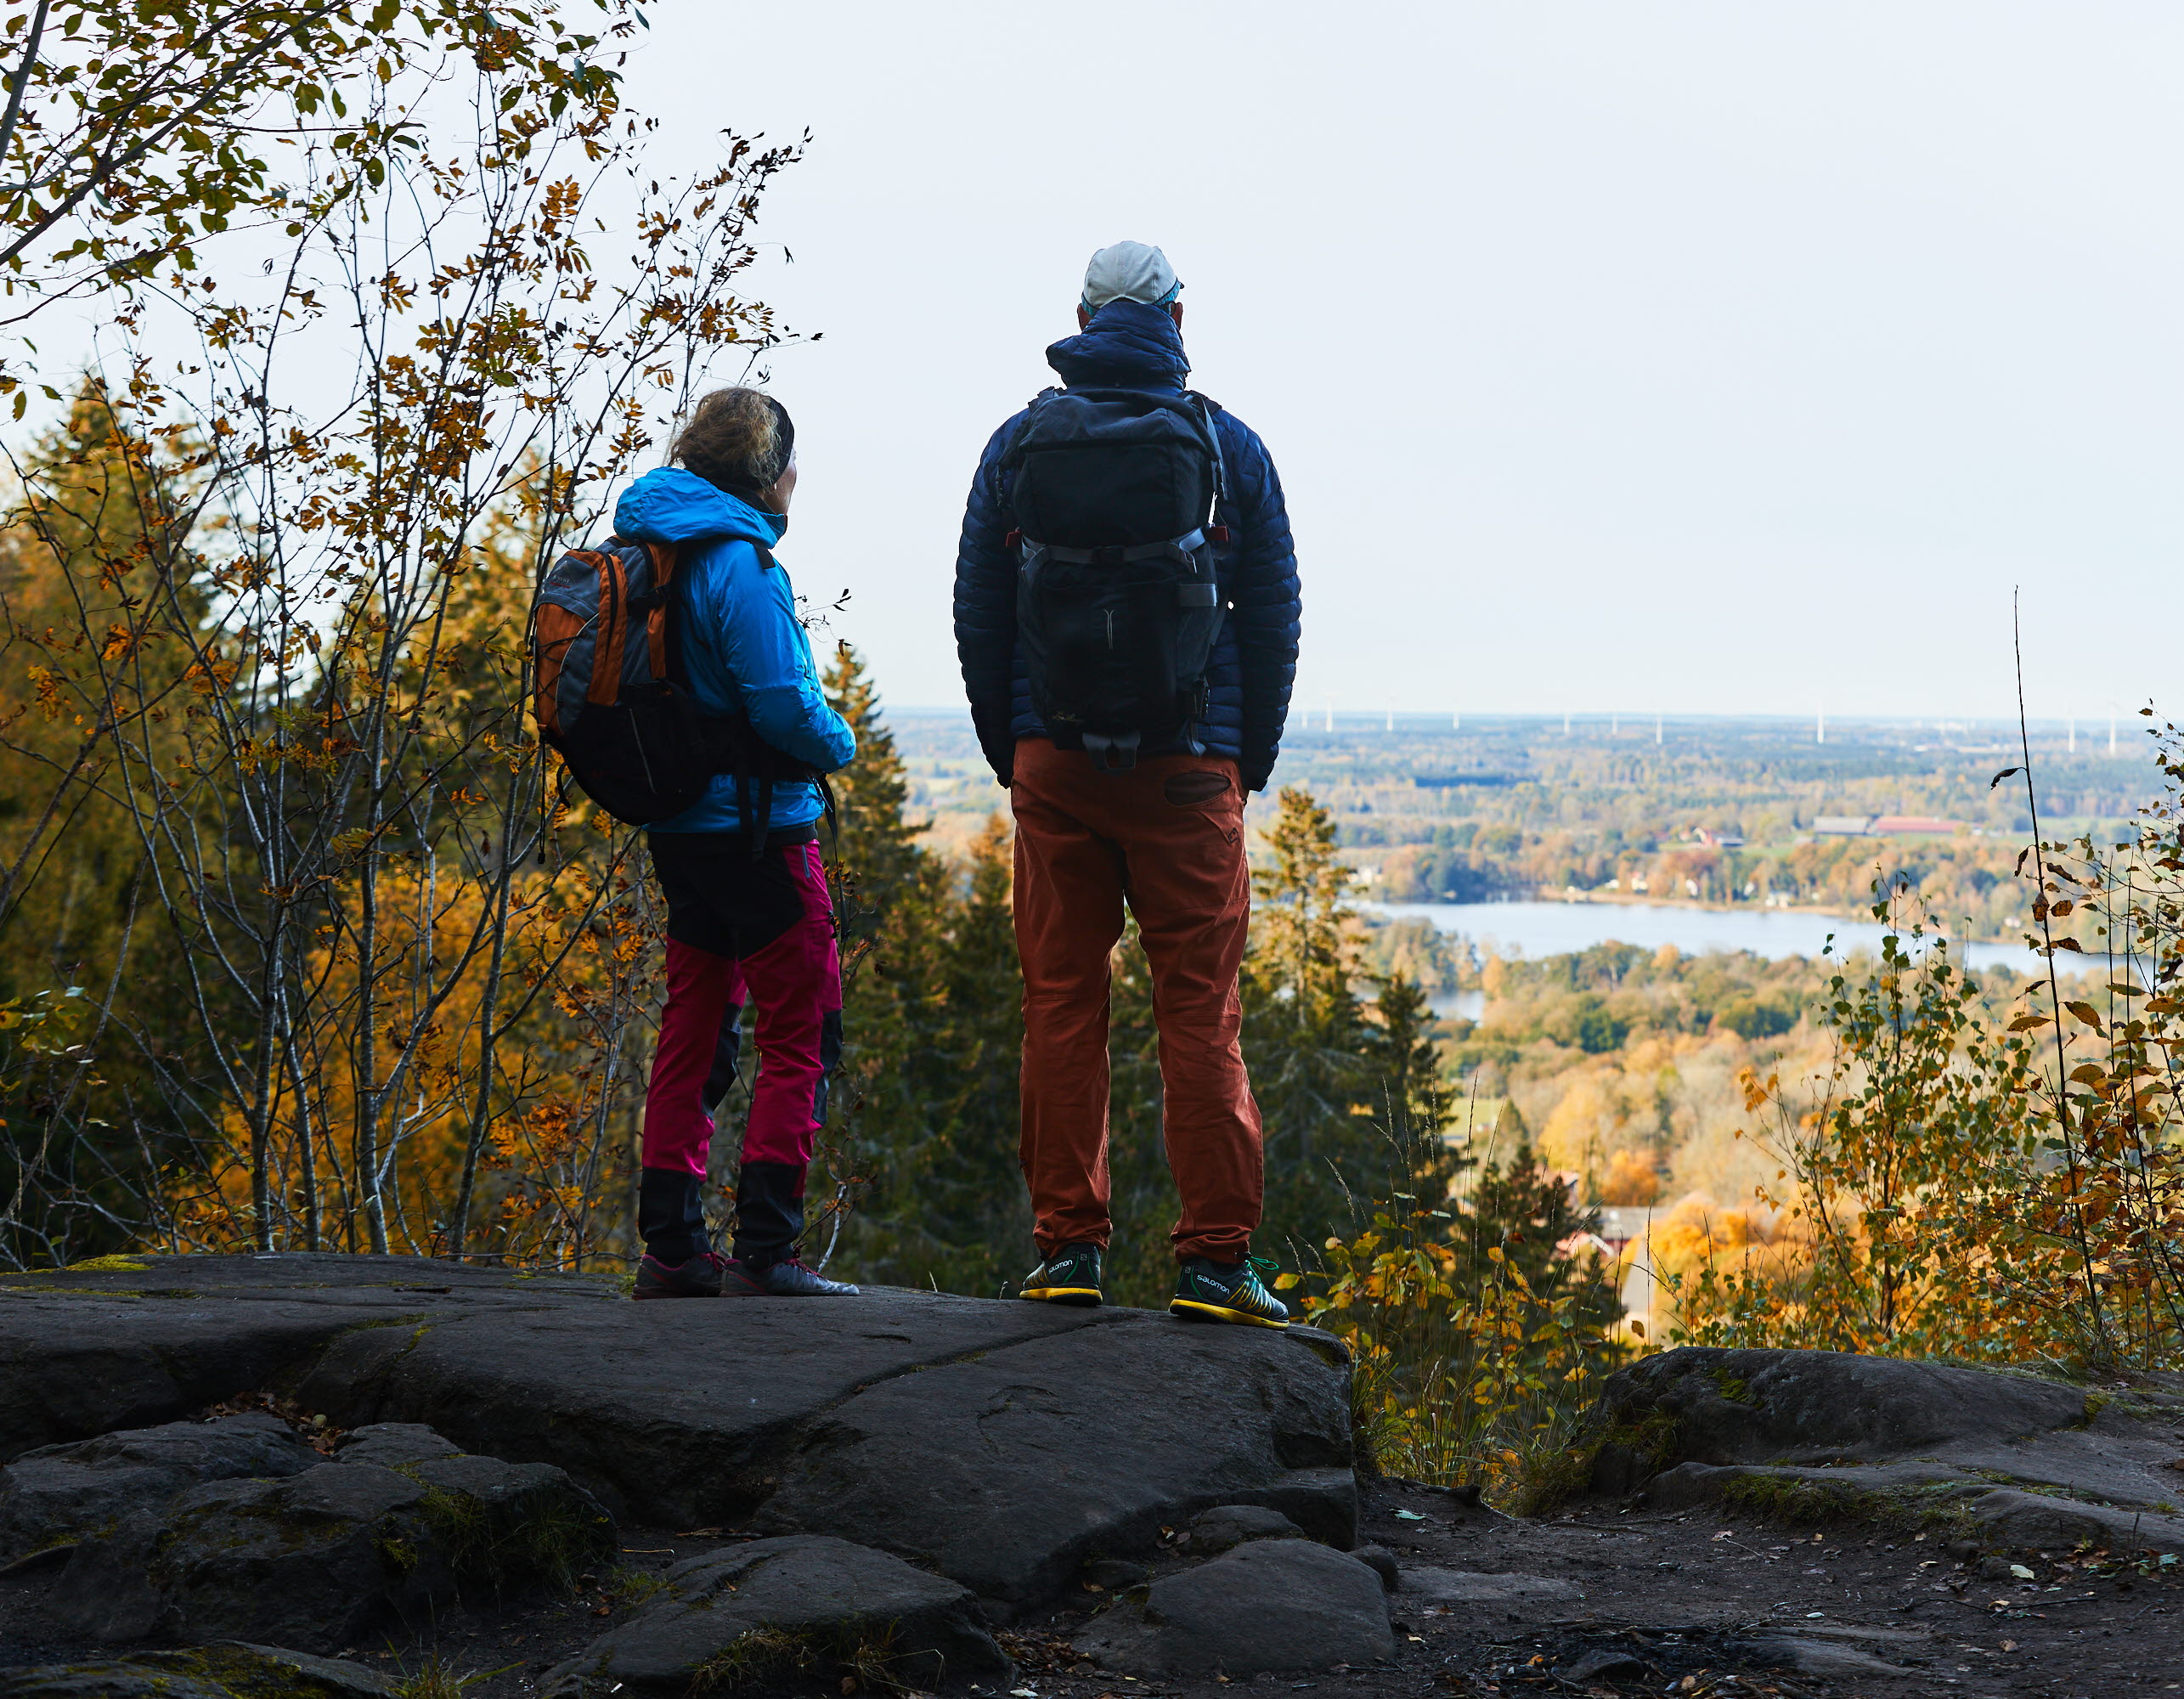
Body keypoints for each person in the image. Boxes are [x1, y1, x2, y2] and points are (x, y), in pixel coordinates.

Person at [953, 242, 1301, 1326]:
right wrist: (1246, 759)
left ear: (1082, 316)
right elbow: (1275, 615)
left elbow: (977, 612)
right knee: (1201, 1012)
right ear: (1178, 319)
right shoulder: (1227, 446)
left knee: (1063, 1003)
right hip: (1192, 768)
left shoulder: (1016, 445)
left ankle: (1068, 1250)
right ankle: (1210, 1262)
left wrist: (1016, 751)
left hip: (1053, 765)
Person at [618, 387, 861, 1299]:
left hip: (679, 830)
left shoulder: (650, 544)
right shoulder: (744, 565)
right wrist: (840, 740)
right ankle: (768, 1245)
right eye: (789, 459)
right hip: (760, 830)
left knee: (695, 1021)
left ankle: (672, 1247)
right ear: (767, 472)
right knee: (801, 1027)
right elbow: (782, 705)